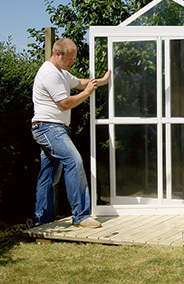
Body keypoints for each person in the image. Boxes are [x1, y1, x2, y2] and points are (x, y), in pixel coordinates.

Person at [31, 38, 111, 228]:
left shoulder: (61, 72)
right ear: (57, 54)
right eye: (70, 59)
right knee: (74, 161)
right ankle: (81, 216)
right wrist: (88, 93)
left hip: (53, 127)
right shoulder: (49, 73)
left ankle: (42, 220)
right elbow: (65, 103)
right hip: (48, 127)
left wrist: (103, 81)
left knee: (48, 176)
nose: (72, 63)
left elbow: (82, 83)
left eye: (74, 59)